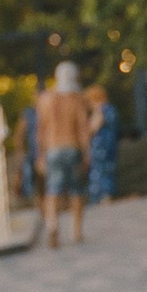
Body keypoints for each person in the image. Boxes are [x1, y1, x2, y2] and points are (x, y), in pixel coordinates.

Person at [35, 63, 92, 247]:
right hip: (72, 147)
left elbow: (40, 130)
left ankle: (52, 226)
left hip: (52, 149)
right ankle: (76, 231)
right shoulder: (76, 99)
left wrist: (40, 155)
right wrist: (87, 153)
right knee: (76, 190)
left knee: (53, 189)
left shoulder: (45, 99)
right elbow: (83, 128)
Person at [86, 82, 120, 211]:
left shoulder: (101, 110)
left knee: (100, 172)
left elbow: (93, 128)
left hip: (101, 148)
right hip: (110, 145)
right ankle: (107, 196)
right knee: (109, 170)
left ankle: (103, 197)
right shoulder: (112, 109)